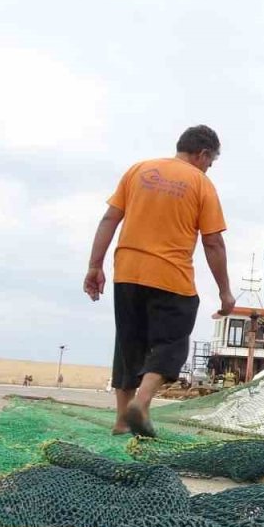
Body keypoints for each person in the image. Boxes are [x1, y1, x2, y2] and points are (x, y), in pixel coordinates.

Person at [83, 125, 236, 438]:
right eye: (210, 162)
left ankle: (122, 420)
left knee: (128, 344)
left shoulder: (138, 171)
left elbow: (109, 219)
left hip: (127, 272)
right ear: (203, 154)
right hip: (171, 276)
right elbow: (213, 243)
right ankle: (141, 402)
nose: (209, 168)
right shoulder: (201, 184)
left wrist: (94, 266)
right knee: (172, 342)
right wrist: (224, 292)